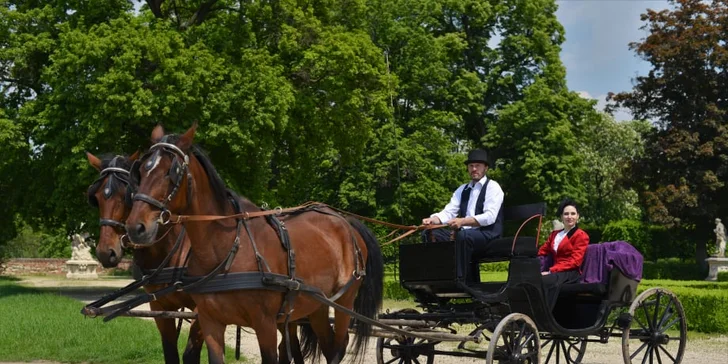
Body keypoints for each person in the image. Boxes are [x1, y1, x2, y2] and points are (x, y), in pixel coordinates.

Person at [421, 149, 504, 282]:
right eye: (471, 166)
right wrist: (433, 220)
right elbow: (449, 212)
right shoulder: (462, 189)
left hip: (488, 236)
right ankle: (436, 278)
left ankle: (461, 280)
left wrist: (463, 222)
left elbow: (490, 217)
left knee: (464, 236)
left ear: (486, 168)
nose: (474, 169)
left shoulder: (493, 187)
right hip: (465, 236)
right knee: (430, 233)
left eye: (478, 165)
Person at [538, 198, 589, 310]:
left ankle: (545, 312)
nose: (569, 217)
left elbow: (575, 261)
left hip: (570, 273)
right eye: (566, 214)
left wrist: (551, 271)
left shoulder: (581, 235)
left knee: (544, 281)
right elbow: (542, 251)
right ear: (561, 217)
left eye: (573, 214)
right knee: (533, 280)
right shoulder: (555, 235)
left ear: (577, 216)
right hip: (557, 272)